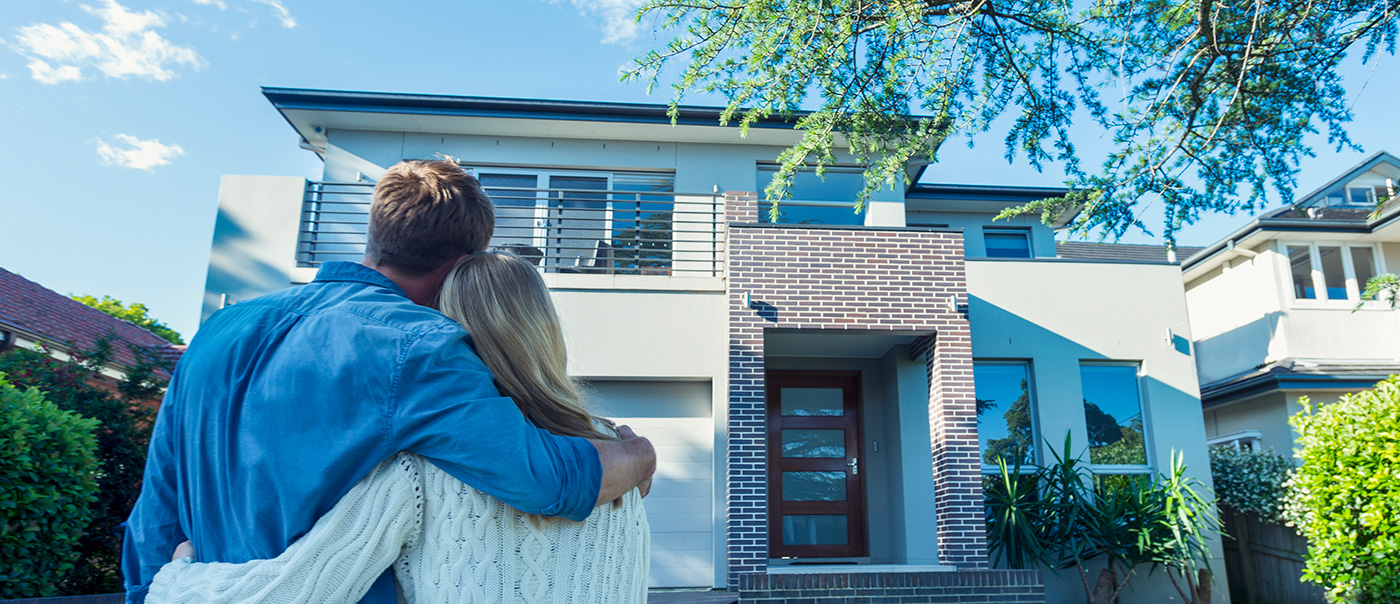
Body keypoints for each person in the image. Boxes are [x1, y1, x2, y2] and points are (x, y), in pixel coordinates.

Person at [122, 160, 657, 604]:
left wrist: (150, 592)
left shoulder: (218, 331)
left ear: (376, 232)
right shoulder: (420, 346)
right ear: (462, 267)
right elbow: (541, 479)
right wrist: (637, 455)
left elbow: (155, 512)